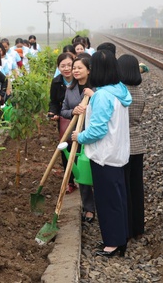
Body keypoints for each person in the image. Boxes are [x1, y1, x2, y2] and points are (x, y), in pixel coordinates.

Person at [71, 50, 131, 257]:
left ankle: (113, 243)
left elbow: (97, 130)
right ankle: (120, 238)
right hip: (118, 154)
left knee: (107, 201)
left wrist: (80, 136)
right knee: (118, 197)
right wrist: (93, 96)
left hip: (104, 156)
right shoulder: (119, 89)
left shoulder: (103, 96)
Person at [60, 54, 96, 218]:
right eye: (74, 68)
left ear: (89, 70)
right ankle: (88, 208)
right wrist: (73, 111)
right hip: (77, 136)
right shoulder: (70, 90)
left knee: (97, 170)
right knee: (82, 172)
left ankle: (101, 204)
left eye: (79, 68)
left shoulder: (96, 89)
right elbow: (64, 111)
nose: (75, 70)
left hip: (95, 135)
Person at [118, 54, 146, 239]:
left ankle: (126, 227)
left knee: (124, 188)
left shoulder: (120, 93)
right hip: (137, 143)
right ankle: (138, 227)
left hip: (122, 144)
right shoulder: (139, 92)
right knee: (136, 188)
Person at [48, 52, 77, 190]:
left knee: (81, 148)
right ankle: (69, 181)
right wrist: (53, 112)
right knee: (66, 148)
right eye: (62, 66)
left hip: (81, 118)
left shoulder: (80, 79)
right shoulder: (56, 82)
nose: (66, 69)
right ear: (58, 68)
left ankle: (83, 178)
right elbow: (53, 102)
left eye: (69, 65)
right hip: (65, 119)